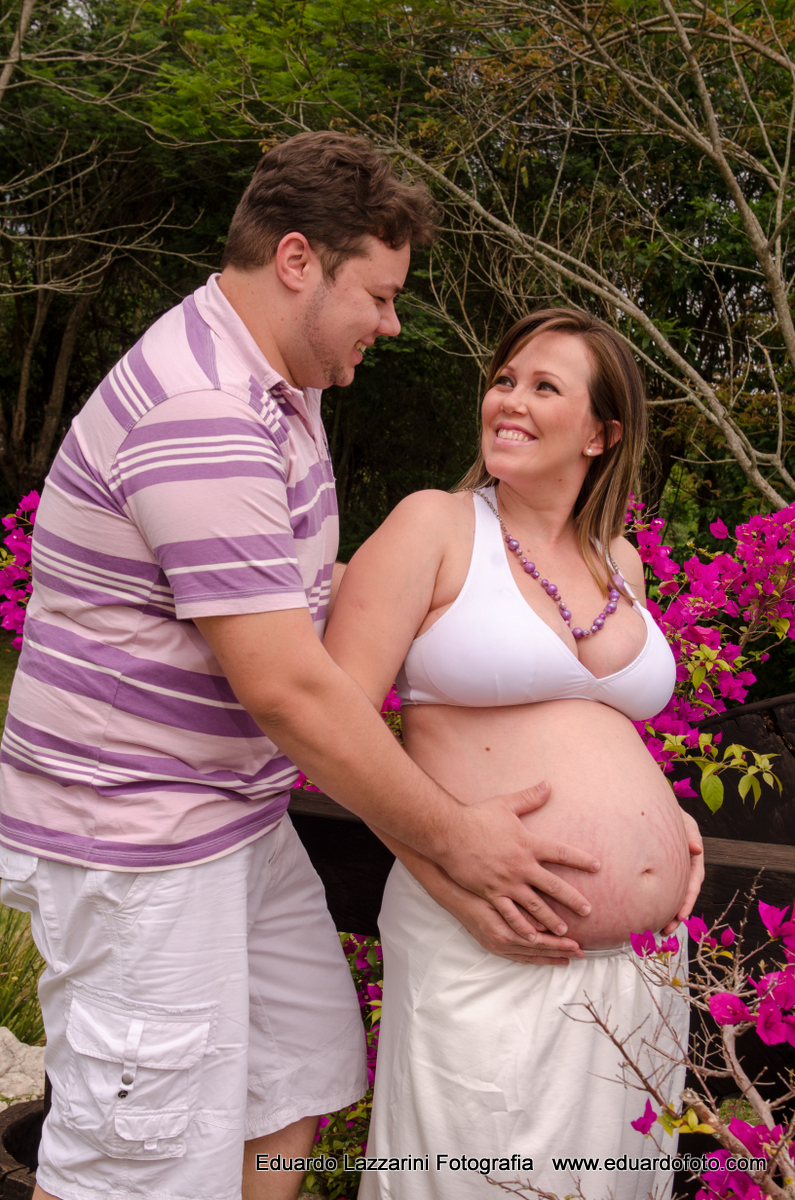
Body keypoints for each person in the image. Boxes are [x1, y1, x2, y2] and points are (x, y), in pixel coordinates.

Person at [0, 135, 609, 1200]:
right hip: (144, 841)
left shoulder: (279, 379)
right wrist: (453, 838)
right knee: (130, 1158)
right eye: (378, 295)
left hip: (226, 818)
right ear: (296, 262)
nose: (392, 321)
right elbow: (284, 683)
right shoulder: (204, 411)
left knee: (302, 1062)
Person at [323, 308, 705, 1200]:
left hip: (642, 969)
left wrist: (659, 812)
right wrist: (450, 859)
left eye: (544, 386)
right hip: (490, 940)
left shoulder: (619, 560)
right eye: (504, 380)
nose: (511, 401)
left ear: (602, 433)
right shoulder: (435, 525)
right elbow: (328, 727)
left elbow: (601, 730)